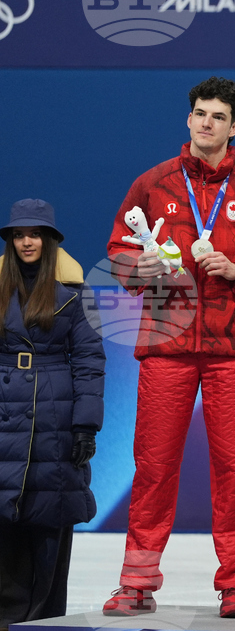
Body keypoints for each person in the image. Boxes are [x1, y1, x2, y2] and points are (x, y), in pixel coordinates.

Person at [102, 77, 235, 618]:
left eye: (218, 117)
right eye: (199, 114)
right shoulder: (153, 184)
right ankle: (137, 584)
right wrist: (134, 267)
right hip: (167, 344)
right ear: (188, 120)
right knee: (154, 467)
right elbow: (118, 248)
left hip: (232, 347)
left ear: (234, 128)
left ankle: (234, 585)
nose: (206, 123)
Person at [0, 199, 105, 630]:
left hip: (54, 419)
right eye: (19, 234)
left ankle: (44, 620)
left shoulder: (77, 297)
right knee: (5, 523)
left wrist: (86, 425)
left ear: (50, 241)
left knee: (50, 525)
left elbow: (90, 361)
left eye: (35, 234)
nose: (27, 241)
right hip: (6, 414)